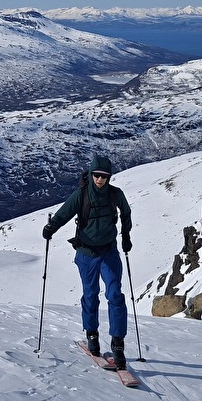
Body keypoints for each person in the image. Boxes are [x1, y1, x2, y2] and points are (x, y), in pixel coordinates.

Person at [43, 153, 133, 369]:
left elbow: (126, 212)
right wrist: (50, 228)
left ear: (109, 177)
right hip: (86, 254)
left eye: (104, 176)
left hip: (109, 252)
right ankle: (91, 333)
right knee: (91, 295)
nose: (100, 180)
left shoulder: (115, 194)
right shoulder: (81, 195)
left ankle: (118, 344)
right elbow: (64, 214)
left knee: (116, 296)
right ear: (91, 175)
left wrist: (126, 236)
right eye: (97, 175)